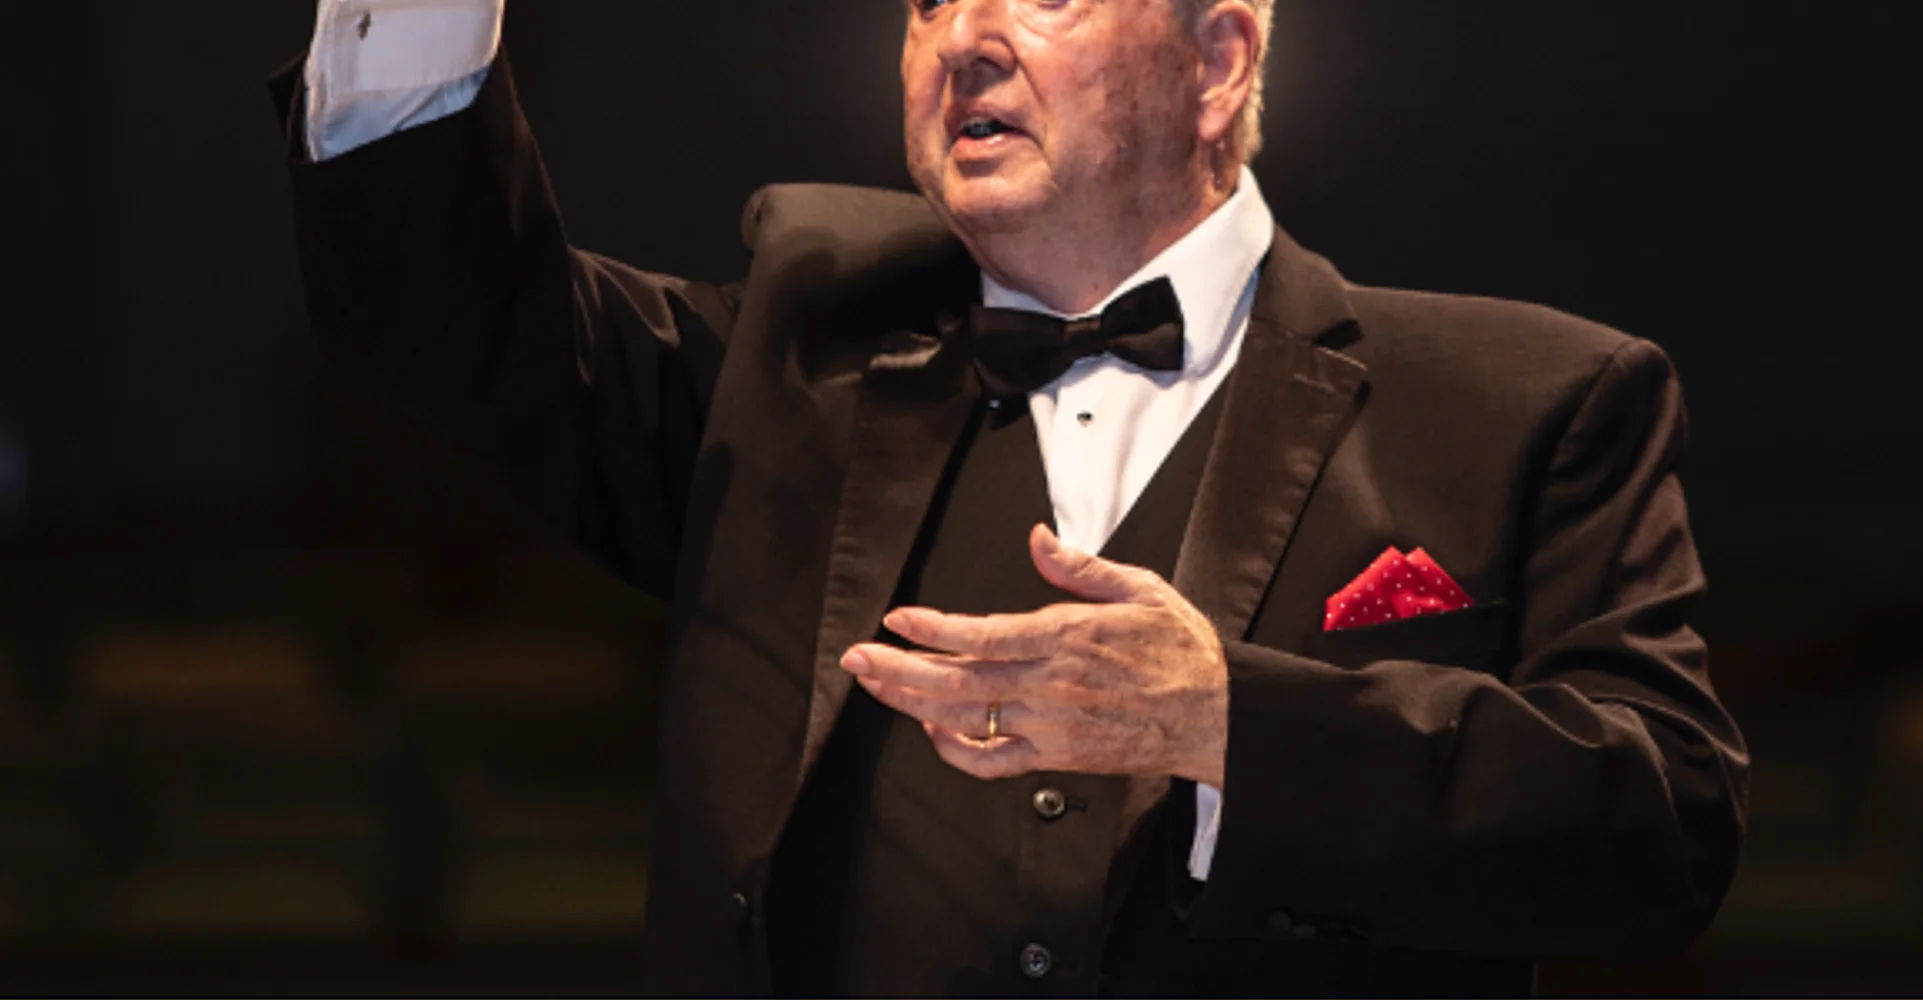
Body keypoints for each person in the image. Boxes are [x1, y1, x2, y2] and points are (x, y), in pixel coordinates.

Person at [272, 0, 1749, 994]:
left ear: (1219, 61)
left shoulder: (1528, 402)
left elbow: (1663, 831)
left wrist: (1231, 722)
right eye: (927, 2)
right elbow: (450, 317)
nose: (963, 39)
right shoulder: (793, 361)